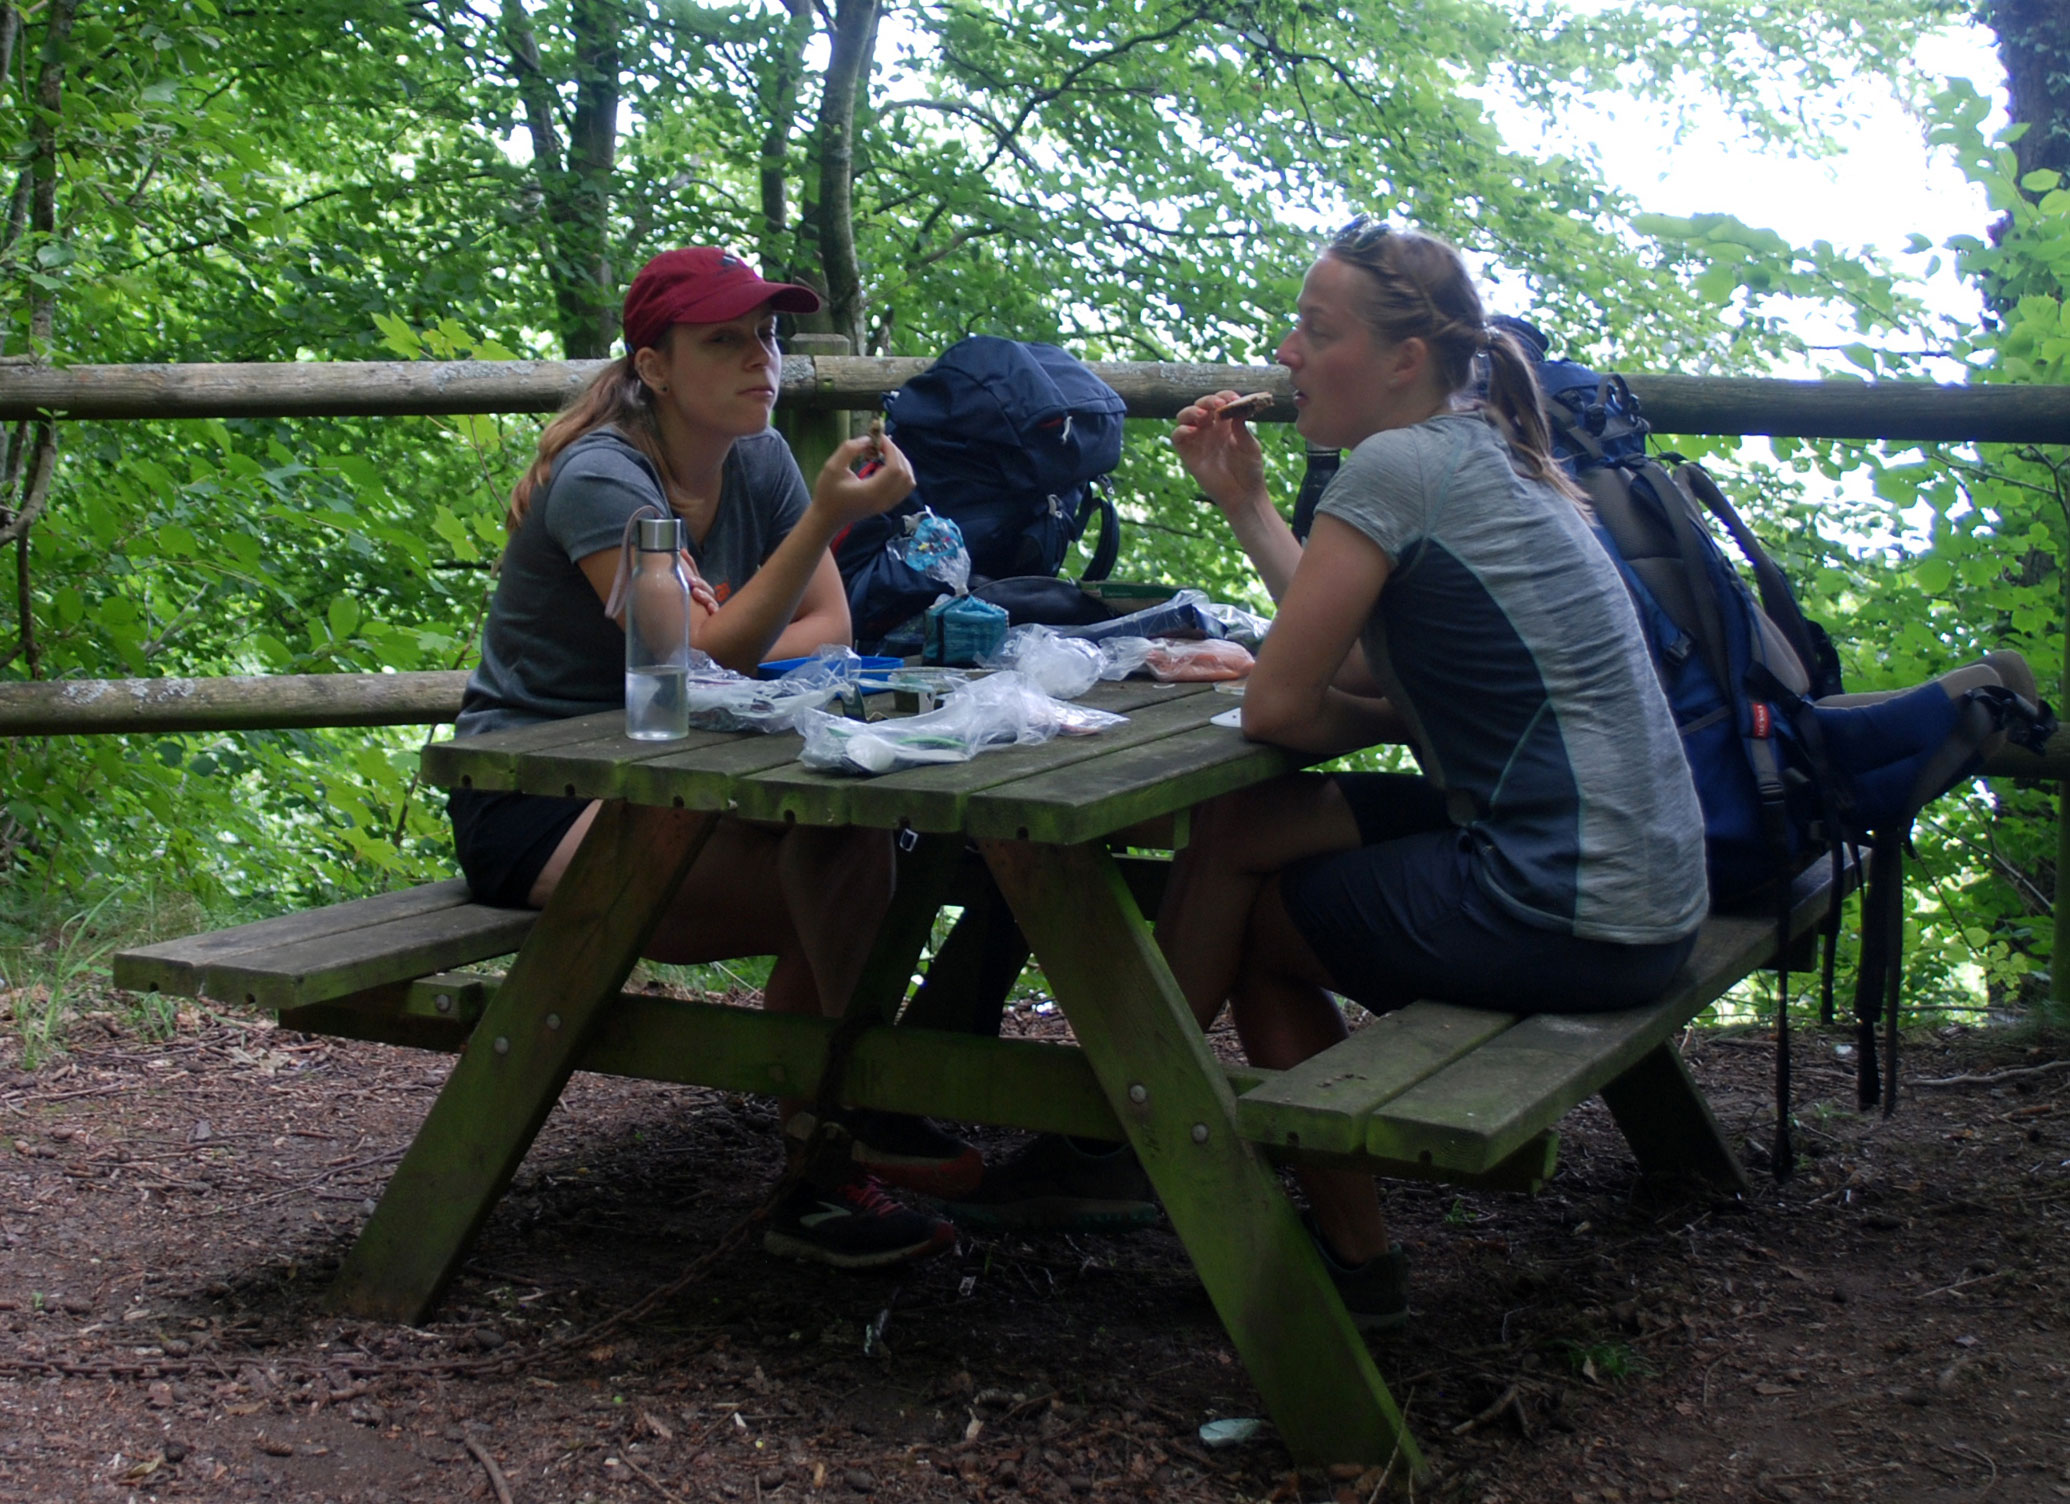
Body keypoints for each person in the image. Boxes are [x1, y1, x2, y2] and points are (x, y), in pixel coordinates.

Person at [1158, 219, 1710, 1327]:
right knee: (1242, 831)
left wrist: (1310, 689)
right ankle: (1124, 1125)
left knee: (1262, 926)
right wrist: (1248, 507)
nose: (1288, 352)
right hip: (1647, 885)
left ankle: (1178, 1153)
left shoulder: (1397, 465)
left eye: (1318, 331)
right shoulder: (1492, 448)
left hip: (1567, 902)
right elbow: (1369, 664)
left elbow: (1280, 706)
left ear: (1405, 358)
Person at [448, 246, 979, 1269]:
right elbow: (689, 662)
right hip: (536, 798)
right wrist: (818, 527)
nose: (759, 359)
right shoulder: (604, 477)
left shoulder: (760, 454)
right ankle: (849, 1119)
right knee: (841, 876)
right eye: (725, 340)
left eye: (768, 336)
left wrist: (723, 632)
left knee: (854, 843)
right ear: (654, 366)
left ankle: (827, 1160)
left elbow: (829, 629)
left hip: (683, 774)